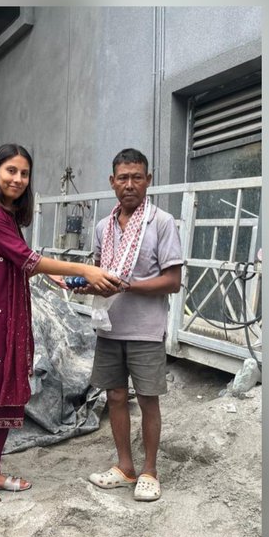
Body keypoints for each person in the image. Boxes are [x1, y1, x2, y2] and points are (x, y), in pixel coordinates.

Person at [0, 144, 122, 508]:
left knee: (7, 385)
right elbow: (28, 259)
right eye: (11, 171)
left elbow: (20, 264)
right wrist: (83, 269)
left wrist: (60, 280)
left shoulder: (9, 215)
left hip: (10, 308)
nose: (17, 179)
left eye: (24, 173)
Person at [84, 149, 183, 503]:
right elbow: (98, 271)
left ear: (148, 181)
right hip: (109, 325)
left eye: (137, 177)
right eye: (122, 178)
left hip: (145, 328)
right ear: (112, 182)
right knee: (114, 396)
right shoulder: (102, 227)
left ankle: (150, 471)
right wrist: (87, 283)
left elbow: (173, 281)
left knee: (147, 399)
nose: (129, 185)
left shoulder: (161, 222)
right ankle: (125, 466)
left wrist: (129, 285)